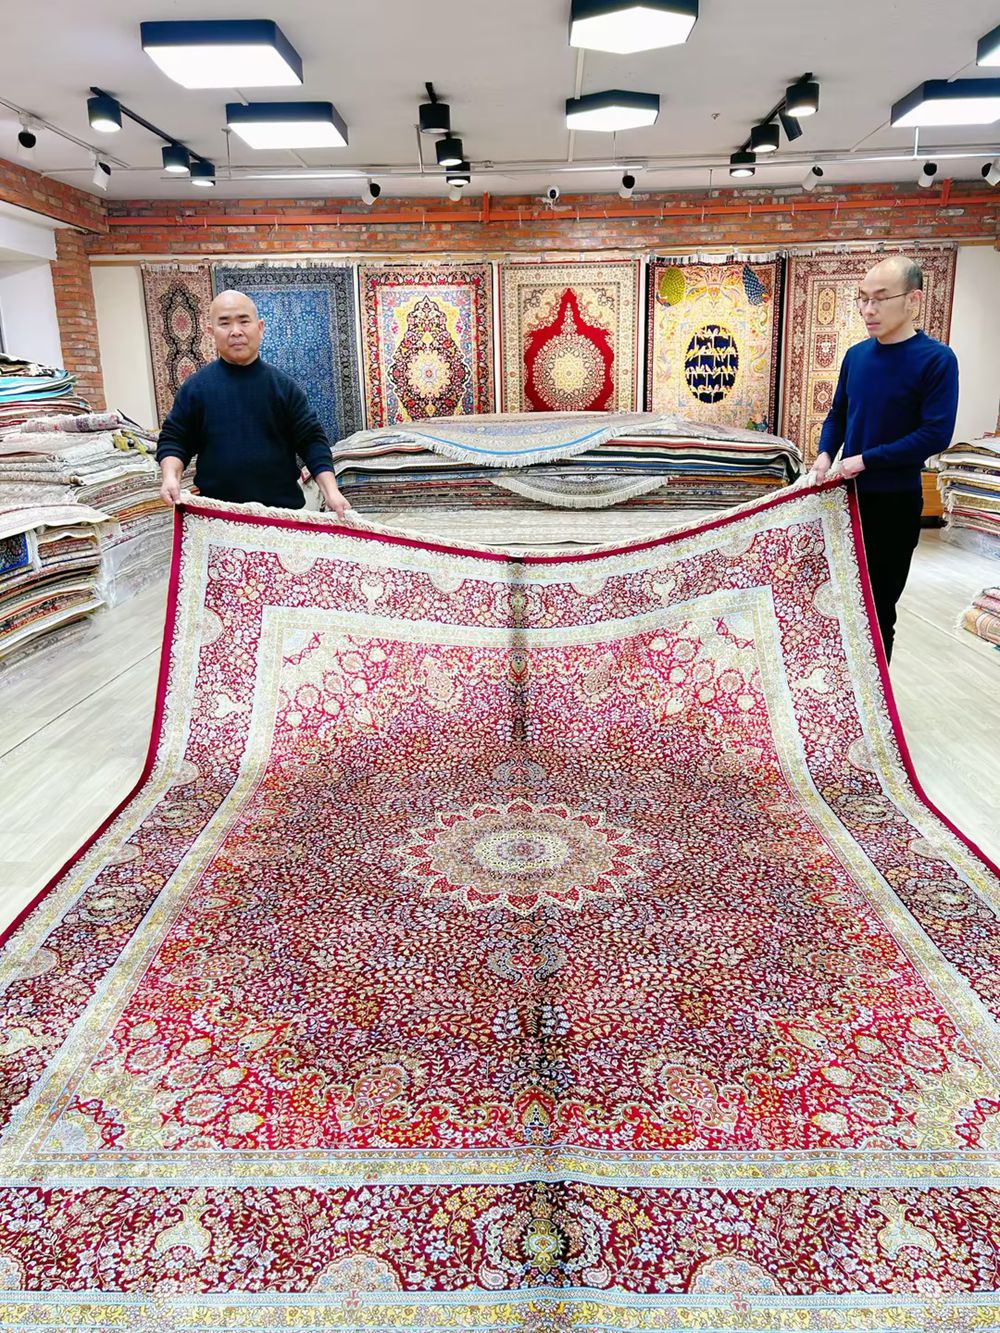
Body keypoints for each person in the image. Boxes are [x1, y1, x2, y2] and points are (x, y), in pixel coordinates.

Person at [811, 255, 959, 661]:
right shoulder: (856, 356)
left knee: (877, 610)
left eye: (880, 298)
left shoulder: (936, 360)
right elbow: (839, 413)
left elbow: (935, 434)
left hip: (893, 503)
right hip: (844, 499)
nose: (868, 309)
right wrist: (825, 454)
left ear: (913, 299)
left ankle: (874, 698)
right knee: (834, 602)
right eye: (862, 298)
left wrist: (866, 460)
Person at [156, 289, 351, 518]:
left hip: (281, 516)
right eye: (225, 323)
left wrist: (331, 492)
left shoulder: (284, 387)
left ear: (260, 328)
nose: (235, 331)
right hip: (216, 518)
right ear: (211, 332)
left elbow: (312, 442)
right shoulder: (195, 389)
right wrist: (170, 478)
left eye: (244, 321)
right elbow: (174, 439)